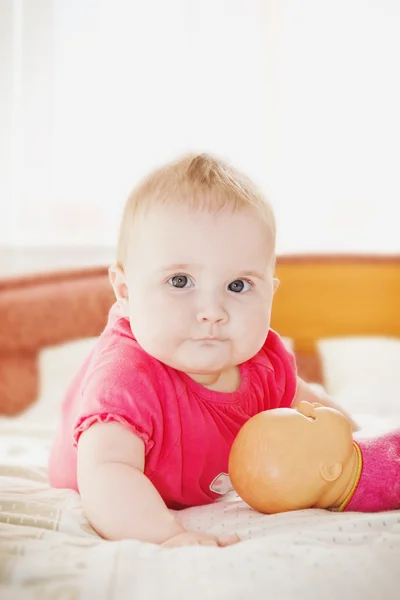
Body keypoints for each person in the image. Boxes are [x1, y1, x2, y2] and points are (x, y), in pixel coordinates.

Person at [48, 153, 357, 547]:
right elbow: (106, 472)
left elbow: (315, 409)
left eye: (239, 286)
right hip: (106, 485)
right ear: (125, 292)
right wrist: (168, 535)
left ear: (270, 294)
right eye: (180, 281)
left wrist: (363, 451)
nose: (212, 312)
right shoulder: (125, 377)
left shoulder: (262, 361)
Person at [228, 401, 399, 514]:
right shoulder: (388, 478)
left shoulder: (341, 454)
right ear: (330, 469)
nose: (303, 404)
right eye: (310, 417)